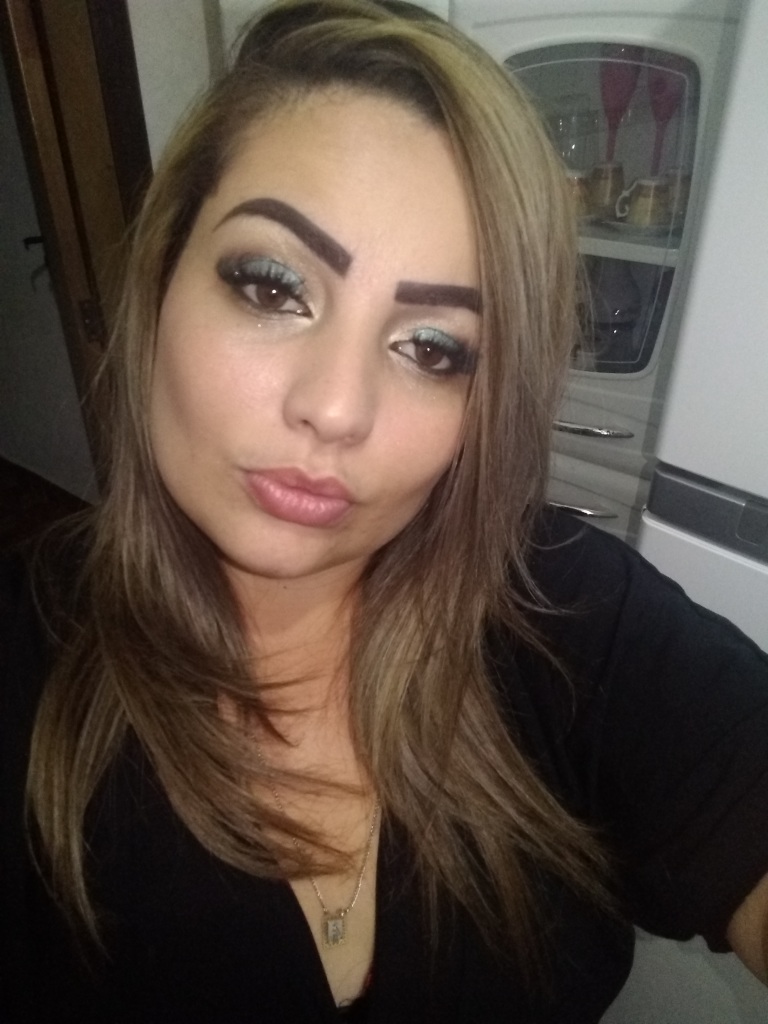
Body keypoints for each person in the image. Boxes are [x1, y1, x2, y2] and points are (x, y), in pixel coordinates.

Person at [2, 1, 768, 1021]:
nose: (336, 407)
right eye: (273, 286)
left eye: (433, 348)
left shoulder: (565, 612)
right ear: (161, 281)